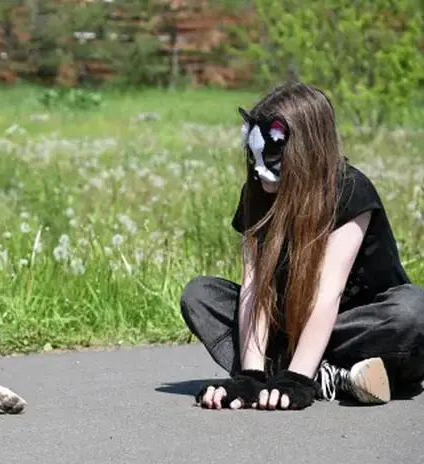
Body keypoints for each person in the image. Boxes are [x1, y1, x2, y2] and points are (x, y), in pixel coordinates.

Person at [179, 81, 424, 411]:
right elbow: (256, 289)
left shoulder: (350, 190)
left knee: (412, 309)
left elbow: (327, 295)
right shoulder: (257, 193)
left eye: (272, 156)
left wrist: (296, 380)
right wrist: (249, 377)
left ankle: (306, 371)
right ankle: (335, 377)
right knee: (201, 295)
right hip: (291, 326)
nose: (259, 171)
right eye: (253, 157)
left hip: (358, 327)